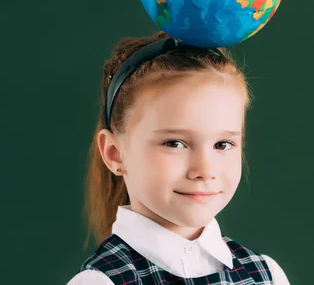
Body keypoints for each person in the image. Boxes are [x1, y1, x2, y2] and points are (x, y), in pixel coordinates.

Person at [67, 31, 290, 284]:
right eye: (174, 143)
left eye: (223, 144)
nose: (204, 169)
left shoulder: (267, 275)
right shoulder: (102, 281)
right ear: (115, 153)